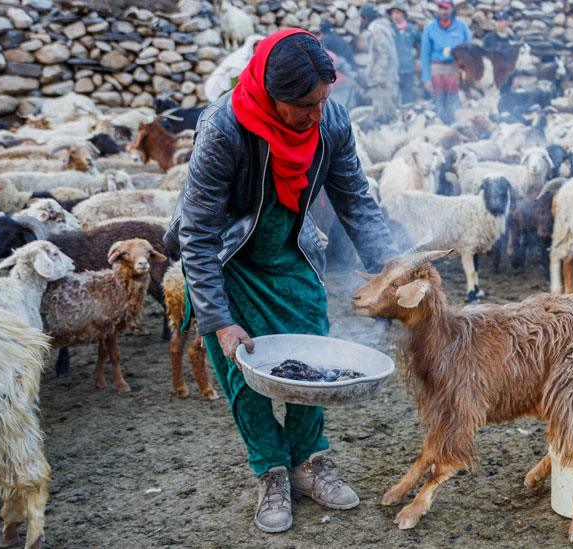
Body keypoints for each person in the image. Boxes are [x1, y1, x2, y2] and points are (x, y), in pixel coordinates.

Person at [164, 29, 398, 534]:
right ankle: (271, 471)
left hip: (290, 249)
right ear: (272, 97)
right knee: (245, 367)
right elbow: (198, 234)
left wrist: (391, 264)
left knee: (316, 354)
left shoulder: (328, 118)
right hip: (227, 259)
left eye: (323, 101)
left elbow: (354, 195)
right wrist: (220, 322)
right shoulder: (223, 128)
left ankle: (309, 461)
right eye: (304, 106)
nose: (316, 115)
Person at [420, 0, 471, 124]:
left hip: (455, 69)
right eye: (440, 8)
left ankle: (456, 130)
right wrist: (427, 78)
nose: (443, 11)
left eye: (446, 8)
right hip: (437, 68)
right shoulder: (430, 28)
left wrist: (467, 72)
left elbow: (469, 51)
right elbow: (425, 54)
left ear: (452, 9)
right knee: (439, 103)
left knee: (454, 102)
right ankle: (439, 131)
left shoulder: (461, 27)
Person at [360, 3, 400, 123]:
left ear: (365, 17)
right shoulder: (383, 27)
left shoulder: (377, 30)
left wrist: (381, 74)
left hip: (384, 77)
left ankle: (390, 137)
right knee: (384, 108)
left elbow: (385, 54)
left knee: (385, 110)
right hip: (384, 75)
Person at [204, 34, 264, 102]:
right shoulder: (240, 61)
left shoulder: (253, 57)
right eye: (257, 45)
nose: (259, 47)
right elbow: (235, 85)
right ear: (252, 45)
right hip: (219, 89)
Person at [388, 2, 421, 104]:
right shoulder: (389, 29)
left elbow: (421, 45)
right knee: (392, 96)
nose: (395, 16)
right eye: (393, 13)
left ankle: (408, 115)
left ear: (404, 14)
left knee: (407, 94)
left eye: (397, 12)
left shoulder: (412, 29)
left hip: (407, 68)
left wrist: (418, 59)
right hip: (392, 69)